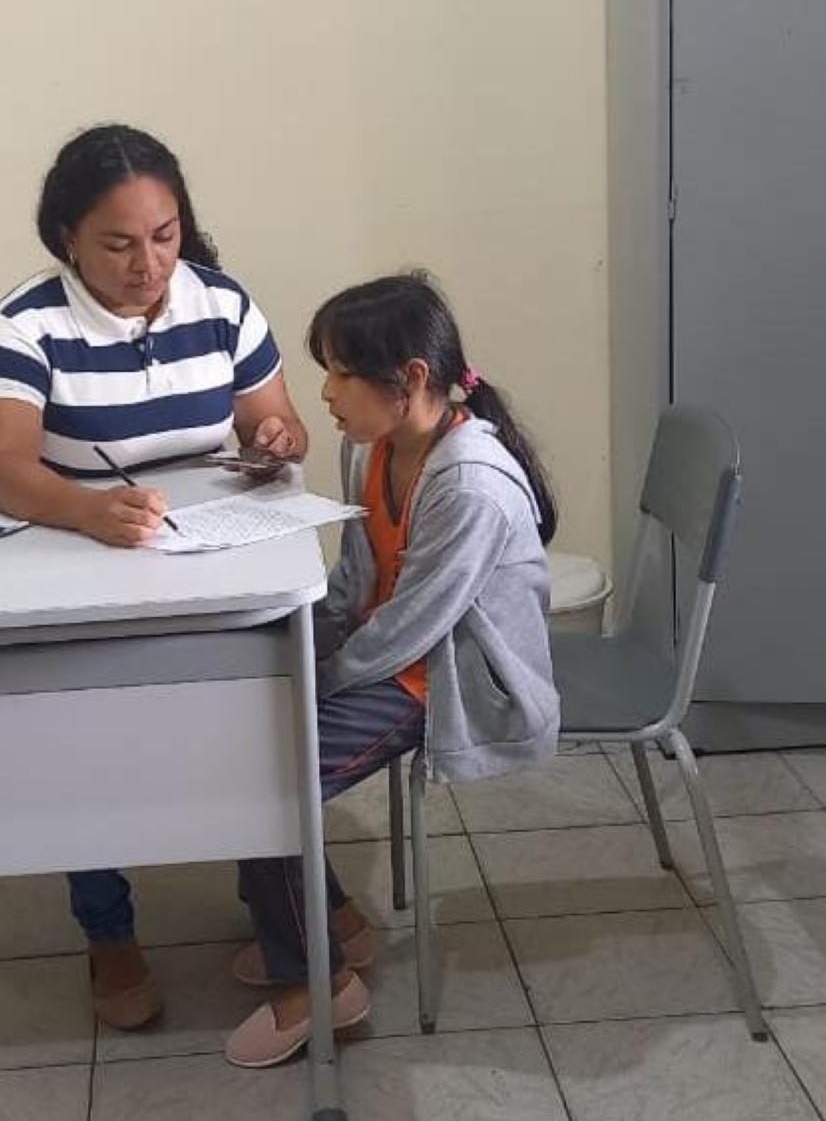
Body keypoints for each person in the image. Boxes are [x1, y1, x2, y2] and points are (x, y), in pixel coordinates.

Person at [0, 124, 309, 1028]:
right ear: (67, 238)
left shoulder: (220, 302)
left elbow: (277, 423)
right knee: (80, 735)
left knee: (263, 707)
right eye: (118, 244)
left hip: (206, 560)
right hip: (82, 567)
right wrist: (87, 510)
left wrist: (277, 441)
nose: (148, 265)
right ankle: (108, 930)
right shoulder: (23, 325)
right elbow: (4, 469)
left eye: (165, 236)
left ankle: (280, 899)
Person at [226, 271, 560, 1068]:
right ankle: (333, 923)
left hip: (447, 678)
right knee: (244, 720)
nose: (325, 393)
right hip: (392, 653)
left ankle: (316, 987)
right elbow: (355, 581)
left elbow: (416, 628)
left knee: (263, 783)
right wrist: (298, 650)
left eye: (341, 373)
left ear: (409, 379)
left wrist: (320, 679)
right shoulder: (369, 447)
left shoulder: (471, 484)